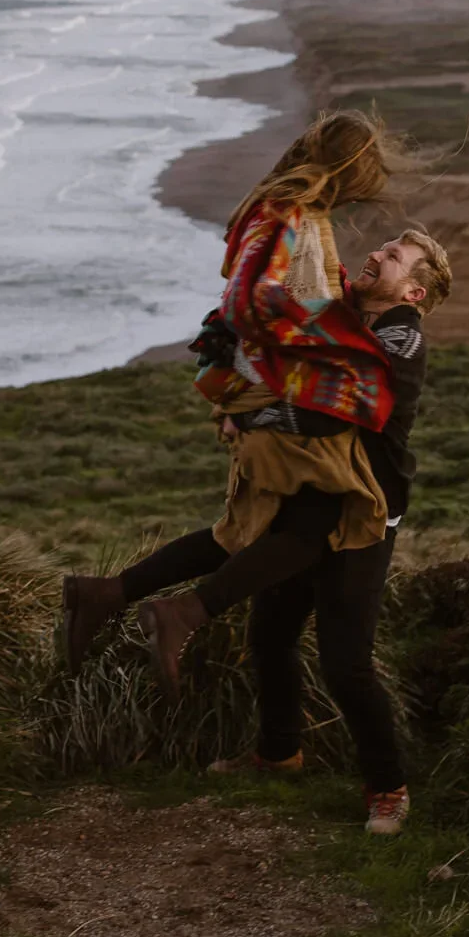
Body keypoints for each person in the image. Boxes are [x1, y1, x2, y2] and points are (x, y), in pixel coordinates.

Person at [60, 110, 400, 688]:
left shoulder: (299, 212)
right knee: (325, 520)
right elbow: (248, 302)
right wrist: (329, 342)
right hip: (279, 397)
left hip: (275, 395)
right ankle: (175, 614)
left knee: (252, 529)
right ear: (349, 168)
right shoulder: (284, 214)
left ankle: (107, 595)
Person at [210, 228, 448, 837]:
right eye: (385, 245)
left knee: (346, 662)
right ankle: (278, 755)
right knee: (271, 633)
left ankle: (389, 789)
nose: (378, 253)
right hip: (314, 499)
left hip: (365, 511)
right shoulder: (344, 310)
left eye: (394, 257)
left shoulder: (401, 335)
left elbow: (340, 404)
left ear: (414, 289)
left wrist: (251, 412)